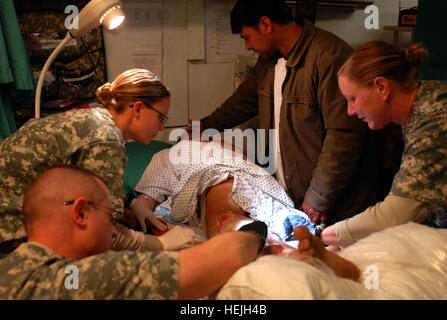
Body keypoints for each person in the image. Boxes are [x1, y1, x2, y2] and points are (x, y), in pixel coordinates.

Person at [190, 0, 383, 227]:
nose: (247, 47)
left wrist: (319, 198)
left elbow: (343, 136)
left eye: (246, 37)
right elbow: (242, 102)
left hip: (336, 204)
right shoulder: (270, 62)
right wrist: (202, 126)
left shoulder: (328, 57)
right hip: (294, 197)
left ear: (265, 24)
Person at [0, 68, 194, 258]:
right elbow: (101, 232)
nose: (161, 127)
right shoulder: (105, 140)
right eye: (160, 117)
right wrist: (160, 244)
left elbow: (77, 184)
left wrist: (129, 201)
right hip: (11, 236)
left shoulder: (92, 119)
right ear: (138, 108)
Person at [0, 165, 266, 299]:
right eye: (110, 218)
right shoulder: (78, 277)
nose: (116, 233)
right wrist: (256, 232)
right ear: (80, 213)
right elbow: (226, 255)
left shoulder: (10, 270)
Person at [320, 41, 447, 247]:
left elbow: (394, 215)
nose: (350, 111)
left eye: (353, 98)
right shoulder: (421, 107)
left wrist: (321, 236)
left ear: (382, 87)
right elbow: (422, 203)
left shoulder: (435, 118)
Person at [133, 139, 314, 241]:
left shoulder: (166, 155)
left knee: (222, 207)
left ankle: (238, 230)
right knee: (246, 200)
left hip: (218, 177)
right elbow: (245, 160)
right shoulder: (217, 144)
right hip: (258, 179)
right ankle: (279, 225)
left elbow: (147, 200)